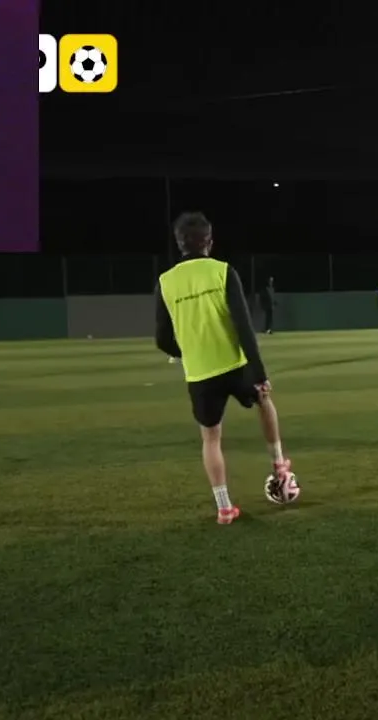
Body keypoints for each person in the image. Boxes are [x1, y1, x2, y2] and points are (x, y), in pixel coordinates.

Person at [154, 212, 294, 525]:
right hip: (235, 364)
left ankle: (224, 507)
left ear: (179, 244)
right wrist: (259, 373)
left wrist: (188, 352)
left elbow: (162, 339)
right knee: (264, 400)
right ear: (209, 241)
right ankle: (279, 465)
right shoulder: (223, 271)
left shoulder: (165, 282)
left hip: (200, 374)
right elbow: (244, 326)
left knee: (211, 438)